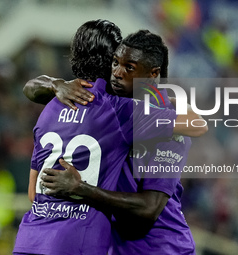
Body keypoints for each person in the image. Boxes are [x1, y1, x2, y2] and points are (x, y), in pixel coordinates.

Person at [14, 20, 205, 255]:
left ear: (152, 74)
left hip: (162, 248)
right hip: (112, 246)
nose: (117, 72)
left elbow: (150, 208)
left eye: (129, 67)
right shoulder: (106, 108)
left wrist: (81, 189)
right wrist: (56, 83)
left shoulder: (166, 127)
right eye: (116, 63)